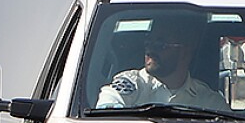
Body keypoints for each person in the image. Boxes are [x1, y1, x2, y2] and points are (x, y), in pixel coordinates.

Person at [95, 25, 226, 110]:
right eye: (148, 42)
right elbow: (106, 113)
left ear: (185, 53)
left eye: (160, 44)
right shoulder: (132, 85)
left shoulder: (210, 103)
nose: (150, 49)